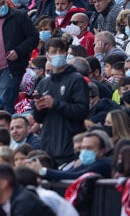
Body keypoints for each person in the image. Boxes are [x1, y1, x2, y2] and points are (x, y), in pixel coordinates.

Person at [32, 37, 89, 165]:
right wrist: (38, 108)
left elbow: (82, 111)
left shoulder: (76, 80)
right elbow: (39, 118)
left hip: (69, 147)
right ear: (47, 56)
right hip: (48, 147)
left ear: (65, 53)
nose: (58, 55)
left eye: (61, 51)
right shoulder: (43, 83)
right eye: (53, 52)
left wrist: (55, 104)